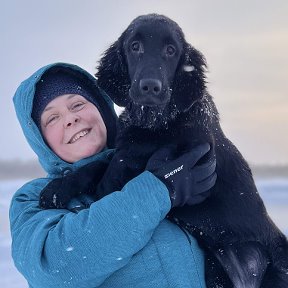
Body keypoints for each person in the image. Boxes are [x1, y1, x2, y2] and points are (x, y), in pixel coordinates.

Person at [10, 62, 216, 288]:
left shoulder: (158, 156)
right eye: (52, 118)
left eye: (77, 104)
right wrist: (158, 190)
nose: (70, 118)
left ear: (102, 109)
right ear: (40, 140)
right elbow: (57, 268)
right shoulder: (34, 200)